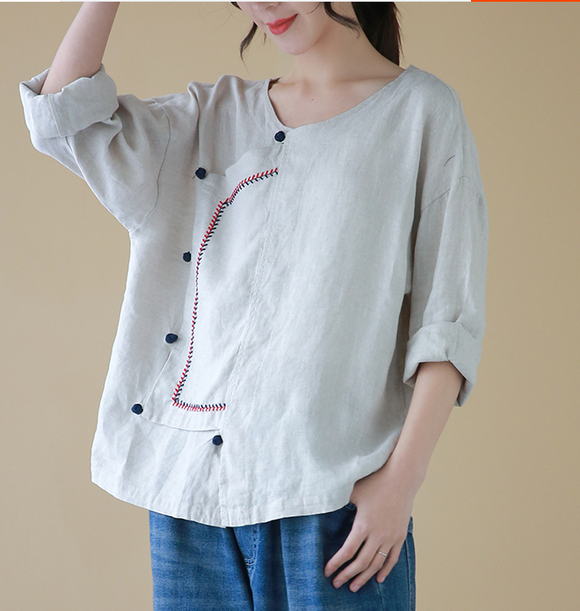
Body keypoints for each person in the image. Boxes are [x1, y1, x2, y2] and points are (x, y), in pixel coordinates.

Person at [19, 2, 488, 610]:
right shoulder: (211, 117)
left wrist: (400, 484)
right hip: (189, 497)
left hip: (332, 501)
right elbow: (64, 117)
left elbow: (446, 320)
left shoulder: (421, 112)